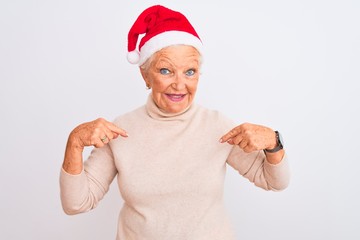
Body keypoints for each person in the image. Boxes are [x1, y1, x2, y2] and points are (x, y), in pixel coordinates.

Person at [60, 5, 290, 240]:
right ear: (145, 75)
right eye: (166, 70)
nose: (179, 85)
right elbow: (76, 204)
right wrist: (75, 143)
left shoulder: (217, 126)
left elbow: (274, 181)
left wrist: (274, 142)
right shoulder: (120, 131)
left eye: (190, 72)